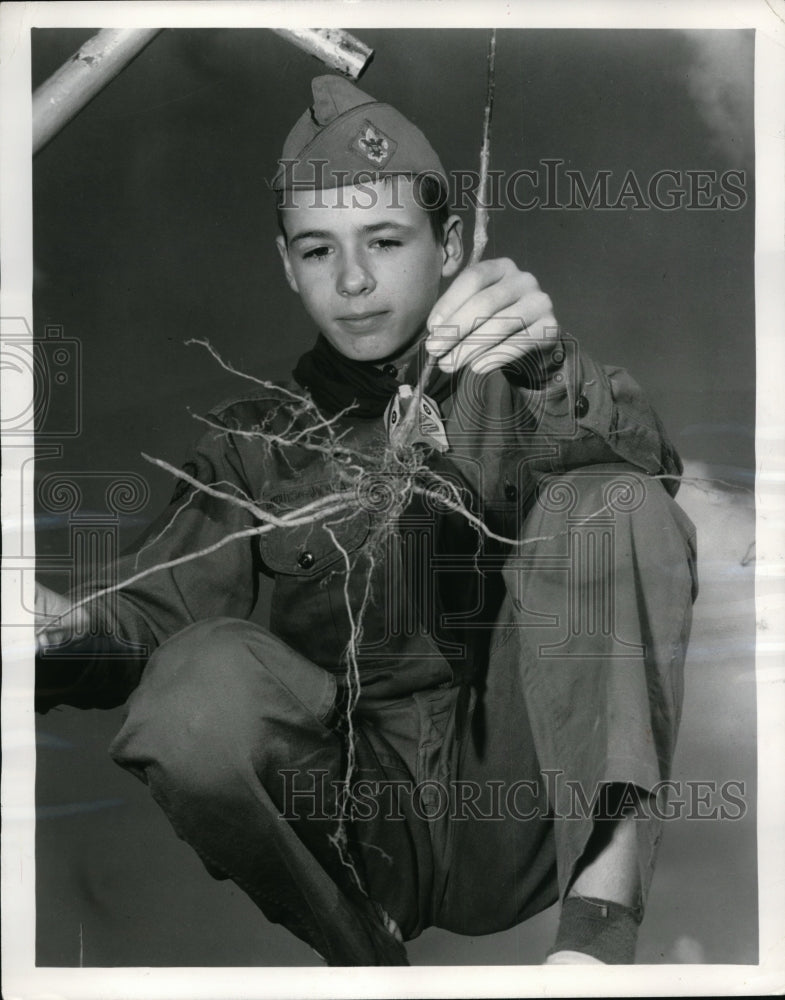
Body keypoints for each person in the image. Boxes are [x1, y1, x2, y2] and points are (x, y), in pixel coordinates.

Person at [35, 75, 698, 966]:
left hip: (524, 791)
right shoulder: (249, 445)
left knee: (611, 497)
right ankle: (366, 963)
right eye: (317, 251)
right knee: (193, 683)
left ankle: (596, 940)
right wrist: (61, 629)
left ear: (451, 242)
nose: (352, 281)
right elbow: (144, 621)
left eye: (384, 240)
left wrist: (546, 365)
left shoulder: (526, 379)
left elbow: (649, 470)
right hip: (360, 824)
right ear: (285, 263)